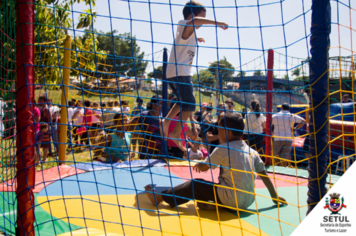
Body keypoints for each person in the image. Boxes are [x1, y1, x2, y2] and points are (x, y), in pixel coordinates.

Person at [144, 112, 287, 210]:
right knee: (212, 187)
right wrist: (274, 197)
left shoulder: (223, 148)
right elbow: (264, 175)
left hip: (231, 197)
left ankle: (161, 197)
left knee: (195, 185)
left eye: (218, 130)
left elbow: (205, 168)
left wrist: (200, 164)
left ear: (226, 132)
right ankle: (214, 206)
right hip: (249, 200)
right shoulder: (252, 151)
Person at [161, 1, 228, 151]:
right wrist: (218, 23)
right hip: (181, 73)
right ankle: (176, 133)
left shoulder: (186, 31)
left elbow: (187, 36)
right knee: (190, 103)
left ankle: (166, 121)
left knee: (182, 102)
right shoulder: (186, 24)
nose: (202, 23)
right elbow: (194, 22)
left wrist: (195, 39)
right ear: (192, 15)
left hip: (174, 73)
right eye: (202, 18)